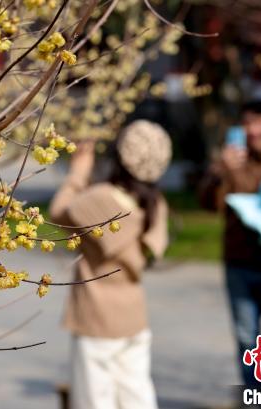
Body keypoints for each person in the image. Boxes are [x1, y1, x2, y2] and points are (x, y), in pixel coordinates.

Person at [50, 120, 172, 409]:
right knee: (137, 394)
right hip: (134, 316)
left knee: (94, 399)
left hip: (96, 316)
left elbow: (59, 212)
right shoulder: (154, 203)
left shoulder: (102, 199)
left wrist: (79, 171)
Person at [198, 100, 261, 386]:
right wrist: (219, 174)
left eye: (260, 122)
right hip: (239, 263)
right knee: (247, 343)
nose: (253, 130)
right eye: (247, 123)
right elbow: (207, 202)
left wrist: (234, 175)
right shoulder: (232, 161)